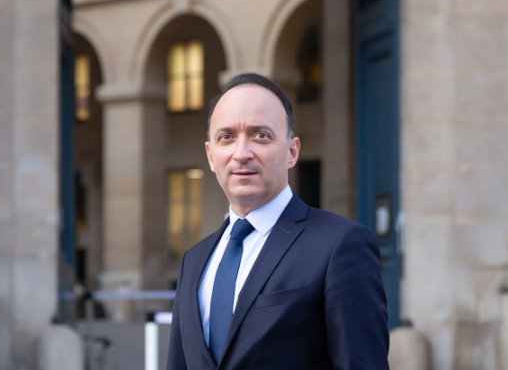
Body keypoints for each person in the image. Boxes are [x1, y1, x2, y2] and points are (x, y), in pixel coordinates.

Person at [167, 73, 390, 370]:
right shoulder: (193, 262)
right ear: (210, 155)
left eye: (261, 135)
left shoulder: (340, 246)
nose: (241, 153)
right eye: (226, 137)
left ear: (292, 151)